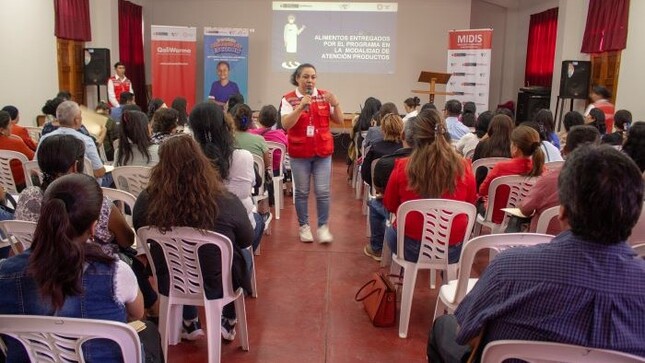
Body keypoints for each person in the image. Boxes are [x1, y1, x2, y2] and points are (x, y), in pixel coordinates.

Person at [429, 144, 645, 361]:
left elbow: (466, 334)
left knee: (444, 327)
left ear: (562, 211)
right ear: (635, 214)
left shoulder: (509, 269)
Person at [0, 173, 158, 362]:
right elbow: (137, 313)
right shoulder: (116, 272)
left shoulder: (4, 273)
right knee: (149, 332)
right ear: (93, 227)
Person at [15, 134, 158, 314]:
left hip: (35, 267)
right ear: (76, 166)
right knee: (132, 262)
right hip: (92, 276)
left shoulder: (27, 196)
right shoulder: (97, 203)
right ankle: (151, 309)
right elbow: (126, 240)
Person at [133, 134, 254, 342]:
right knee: (239, 253)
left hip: (170, 279)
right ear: (201, 162)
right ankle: (229, 317)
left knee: (179, 259)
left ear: (161, 165)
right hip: (218, 282)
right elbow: (246, 239)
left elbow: (140, 230)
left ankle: (189, 321)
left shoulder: (146, 200)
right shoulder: (225, 200)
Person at [383, 109, 477, 263]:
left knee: (389, 227)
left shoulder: (403, 167)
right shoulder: (464, 167)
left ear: (415, 137)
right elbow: (470, 203)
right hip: (452, 247)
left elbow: (390, 204)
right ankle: (448, 282)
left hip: (408, 246)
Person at [189, 102, 265, 252]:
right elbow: (255, 185)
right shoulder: (243, 157)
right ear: (225, 125)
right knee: (259, 220)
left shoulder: (187, 160)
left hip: (195, 233)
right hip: (236, 234)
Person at [280, 63, 343, 243]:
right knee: (301, 192)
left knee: (323, 192)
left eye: (313, 77)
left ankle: (323, 227)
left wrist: (336, 103)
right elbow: (285, 124)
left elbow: (338, 119)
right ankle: (304, 227)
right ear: (297, 78)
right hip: (300, 153)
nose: (310, 80)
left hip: (322, 152)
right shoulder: (288, 99)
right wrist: (300, 107)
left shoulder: (325, 96)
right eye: (306, 77)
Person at [519, 125, 600, 234]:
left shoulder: (549, 180)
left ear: (565, 150)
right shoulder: (608, 184)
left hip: (543, 240)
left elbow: (525, 209)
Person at [363, 116, 416, 261]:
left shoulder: (385, 159)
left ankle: (377, 248)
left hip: (401, 217)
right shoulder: (433, 164)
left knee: (375, 203)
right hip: (442, 237)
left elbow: (368, 177)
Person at [478, 124, 545, 224]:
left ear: (515, 147)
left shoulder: (501, 167)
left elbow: (482, 191)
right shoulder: (541, 169)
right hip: (526, 216)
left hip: (496, 216)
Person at [38, 101, 106, 180]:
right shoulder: (86, 140)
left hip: (51, 186)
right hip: (83, 188)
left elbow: (35, 165)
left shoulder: (44, 138)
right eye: (80, 116)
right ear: (76, 120)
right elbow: (99, 172)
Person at [361, 113, 404, 188]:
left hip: (380, 190)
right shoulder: (405, 148)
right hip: (402, 188)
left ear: (383, 129)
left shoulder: (375, 148)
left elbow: (365, 173)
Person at [472, 114, 514, 187]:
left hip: (481, 187)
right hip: (508, 189)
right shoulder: (514, 148)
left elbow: (473, 167)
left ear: (491, 128)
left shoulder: (482, 145)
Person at [0, 110, 35, 190]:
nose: (12, 126)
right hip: (21, 184)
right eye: (10, 124)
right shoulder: (15, 142)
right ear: (2, 130)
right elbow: (33, 158)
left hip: (2, 186)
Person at [250, 104, 288, 175]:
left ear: (259, 118)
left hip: (258, 171)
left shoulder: (252, 134)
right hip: (276, 172)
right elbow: (286, 150)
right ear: (276, 120)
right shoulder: (281, 135)